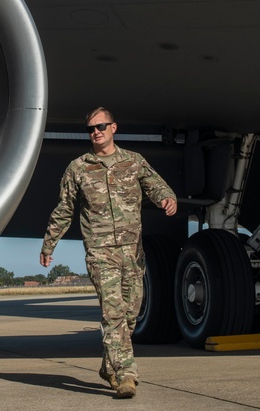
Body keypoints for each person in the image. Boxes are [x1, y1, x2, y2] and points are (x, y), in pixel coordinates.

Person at [39, 107, 177, 399]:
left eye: (101, 126)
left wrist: (167, 198)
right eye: (90, 128)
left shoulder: (133, 161)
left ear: (114, 127)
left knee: (130, 315)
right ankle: (127, 375)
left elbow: (156, 185)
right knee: (112, 313)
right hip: (101, 253)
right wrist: (49, 243)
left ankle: (108, 366)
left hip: (132, 251)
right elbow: (64, 209)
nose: (96, 132)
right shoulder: (78, 168)